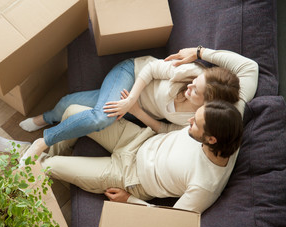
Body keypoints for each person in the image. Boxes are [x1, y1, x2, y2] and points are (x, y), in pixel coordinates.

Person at [0, 100, 243, 213]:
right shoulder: (228, 127)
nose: (188, 122)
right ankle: (40, 150)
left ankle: (32, 155)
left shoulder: (205, 186)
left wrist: (130, 200)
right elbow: (248, 70)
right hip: (137, 139)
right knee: (73, 113)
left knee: (50, 166)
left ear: (211, 140)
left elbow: (174, 223)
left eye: (195, 124)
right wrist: (136, 109)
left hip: (130, 177)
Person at [17, 47, 258, 154]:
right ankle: (44, 137)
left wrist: (136, 109)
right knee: (102, 117)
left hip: (135, 106)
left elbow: (165, 129)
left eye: (196, 91)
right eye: (197, 81)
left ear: (207, 105)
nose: (191, 86)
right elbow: (151, 69)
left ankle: (47, 118)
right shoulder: (191, 72)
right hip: (131, 75)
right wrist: (131, 98)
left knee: (72, 104)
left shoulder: (197, 120)